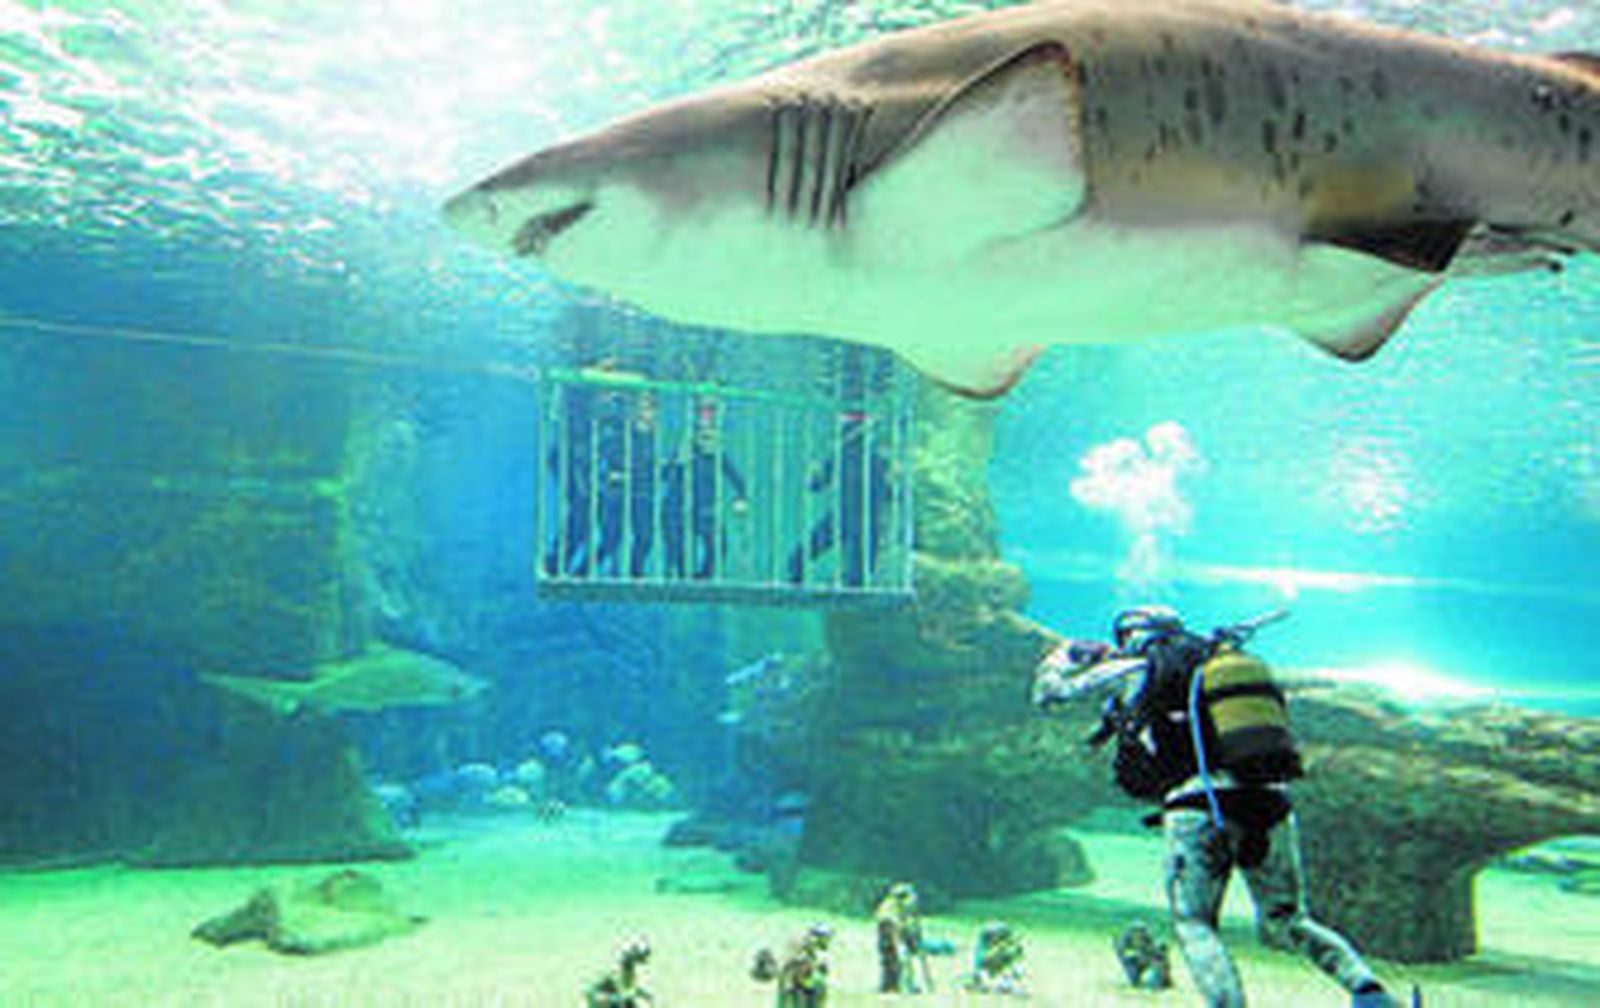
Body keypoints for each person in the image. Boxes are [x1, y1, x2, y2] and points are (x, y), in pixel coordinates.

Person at [1035, 606, 1402, 1008]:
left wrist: (1061, 658)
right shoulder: (1222, 665)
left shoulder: (1137, 666)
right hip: (1270, 799)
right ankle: (1369, 993)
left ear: (1134, 634)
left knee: (1195, 923)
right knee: (1289, 919)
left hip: (1198, 803)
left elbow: (1051, 695)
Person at [786, 410, 892, 588]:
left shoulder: (842, 457)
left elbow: (815, 486)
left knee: (802, 556)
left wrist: (813, 474)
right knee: (861, 572)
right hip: (864, 519)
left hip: (845, 516)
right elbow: (889, 496)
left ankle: (796, 577)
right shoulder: (877, 460)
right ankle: (852, 586)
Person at [661, 396, 748, 580]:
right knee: (679, 548)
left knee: (719, 545)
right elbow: (664, 476)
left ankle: (701, 579)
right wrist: (677, 463)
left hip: (704, 510)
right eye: (703, 435)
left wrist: (741, 498)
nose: (706, 439)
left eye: (710, 435)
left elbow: (738, 479)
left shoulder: (718, 454)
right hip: (678, 510)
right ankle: (682, 578)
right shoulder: (685, 450)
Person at [875, 881, 928, 993]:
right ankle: (896, 986)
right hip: (890, 938)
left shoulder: (898, 908)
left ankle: (895, 985)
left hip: (895, 937)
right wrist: (899, 944)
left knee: (894, 962)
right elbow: (892, 927)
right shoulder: (889, 909)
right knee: (894, 962)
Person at [584, 936, 655, 1008]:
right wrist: (614, 998)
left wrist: (642, 994)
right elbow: (590, 993)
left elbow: (628, 989)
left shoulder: (629, 969)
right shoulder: (614, 970)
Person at [774, 923, 832, 1008]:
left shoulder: (812, 953)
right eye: (826, 938)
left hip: (797, 987)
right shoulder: (806, 955)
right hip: (797, 988)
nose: (828, 941)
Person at [966, 920, 1027, 995]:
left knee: (1009, 957)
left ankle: (1006, 983)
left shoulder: (997, 945)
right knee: (1006, 958)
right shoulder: (985, 946)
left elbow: (1015, 951)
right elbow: (981, 961)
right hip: (986, 965)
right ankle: (1004, 983)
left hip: (988, 965)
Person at [1114, 920, 1173, 991]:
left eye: (1142, 931)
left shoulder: (1147, 937)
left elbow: (1154, 950)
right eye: (1138, 931)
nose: (1141, 933)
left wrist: (1156, 950)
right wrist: (1138, 955)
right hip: (1132, 961)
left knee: (1160, 960)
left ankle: (1160, 982)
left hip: (1145, 958)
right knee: (1135, 983)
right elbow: (1122, 952)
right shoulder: (1126, 938)